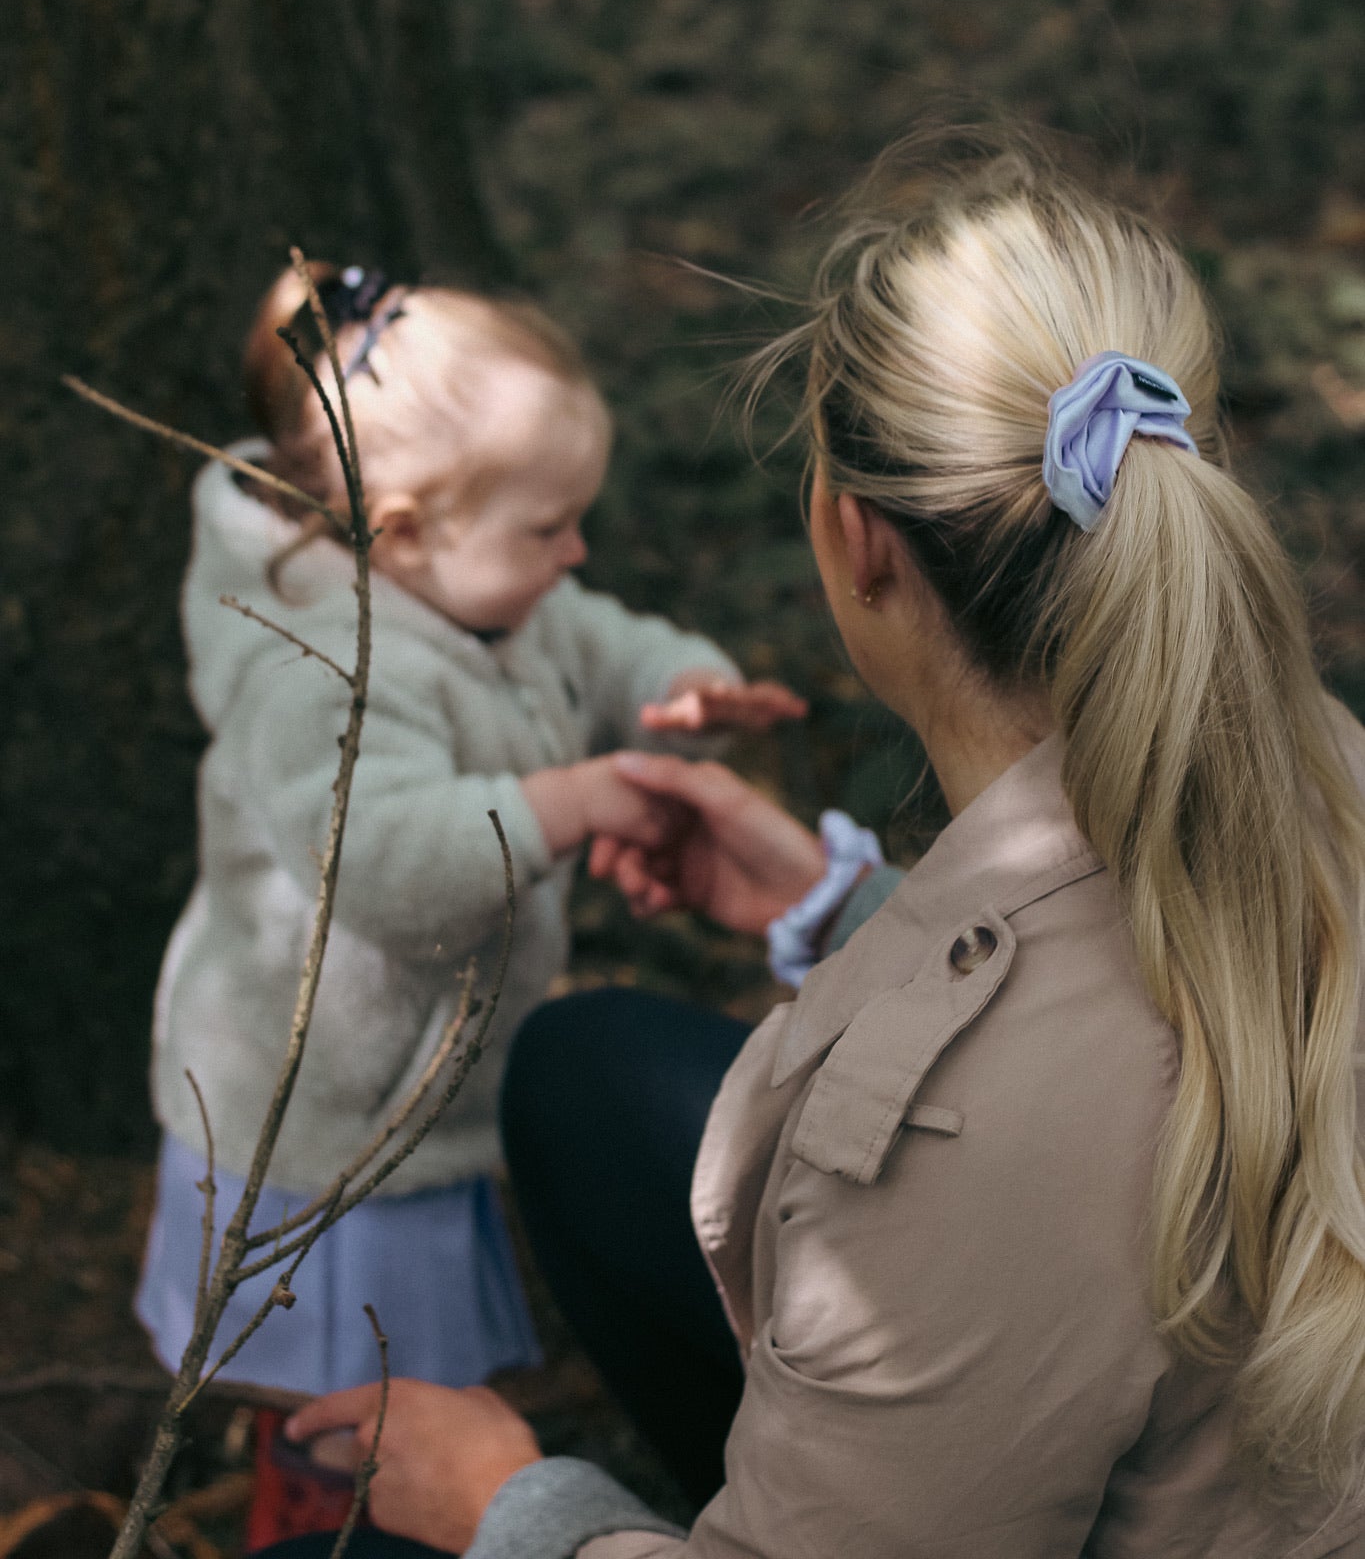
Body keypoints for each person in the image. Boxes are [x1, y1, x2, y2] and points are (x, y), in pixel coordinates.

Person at [271, 157, 1365, 1557]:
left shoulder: (956, 1148)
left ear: (858, 542)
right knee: (589, 1077)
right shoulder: (1311, 753)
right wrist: (842, 903)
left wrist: (518, 1506)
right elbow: (1144, 997)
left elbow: (1053, 1112)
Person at [135, 263, 805, 1428]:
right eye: (550, 526)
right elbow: (384, 860)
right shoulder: (316, 668)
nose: (578, 551)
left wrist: (683, 685)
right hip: (322, 1125)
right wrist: (576, 799)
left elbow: (599, 640)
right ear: (400, 533)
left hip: (422, 1092)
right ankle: (327, 1518)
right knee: (344, 1393)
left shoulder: (481, 590)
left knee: (407, 1390)